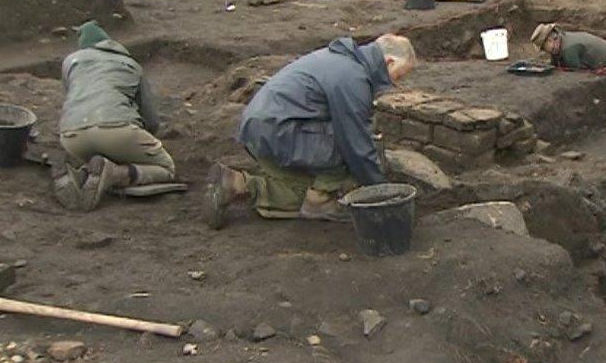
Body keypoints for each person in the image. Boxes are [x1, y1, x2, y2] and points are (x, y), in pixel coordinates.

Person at [203, 34, 416, 229]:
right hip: (278, 133)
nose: (394, 84)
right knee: (352, 144)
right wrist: (381, 193)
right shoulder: (352, 78)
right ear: (389, 62)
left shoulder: (339, 59)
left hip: (261, 131)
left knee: (299, 196)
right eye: (397, 77)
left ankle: (235, 184)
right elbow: (355, 143)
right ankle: (321, 201)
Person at [54, 20, 175, 211]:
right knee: (166, 168)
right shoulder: (131, 64)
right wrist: (144, 139)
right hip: (117, 130)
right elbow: (150, 118)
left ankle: (80, 173)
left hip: (71, 136)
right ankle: (115, 173)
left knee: (96, 152)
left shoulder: (70, 62)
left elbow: (71, 98)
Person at [530, 23, 606, 70]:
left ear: (551, 40)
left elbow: (576, 74)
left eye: (544, 48)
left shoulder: (569, 50)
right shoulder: (562, 37)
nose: (546, 51)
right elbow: (555, 63)